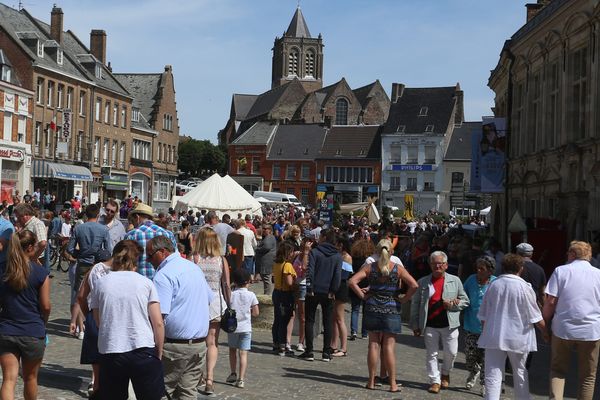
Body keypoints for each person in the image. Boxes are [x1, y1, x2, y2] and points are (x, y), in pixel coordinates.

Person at [89, 240, 165, 400]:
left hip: (111, 349)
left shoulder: (101, 284)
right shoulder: (145, 283)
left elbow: (98, 320)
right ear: (136, 261)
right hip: (142, 347)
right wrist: (159, 351)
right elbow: (157, 322)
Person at [149, 235, 213, 400]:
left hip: (174, 346)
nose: (148, 260)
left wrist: (156, 347)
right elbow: (208, 299)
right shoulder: (193, 268)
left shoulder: (164, 275)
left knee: (159, 391)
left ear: (162, 252)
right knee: (187, 392)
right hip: (198, 344)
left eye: (150, 255)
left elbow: (158, 317)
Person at [349, 238, 417, 393]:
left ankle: (371, 381)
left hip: (372, 307)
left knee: (373, 345)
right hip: (392, 308)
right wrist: (404, 299)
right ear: (391, 251)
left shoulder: (370, 267)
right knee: (389, 347)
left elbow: (352, 281)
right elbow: (414, 285)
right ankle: (392, 383)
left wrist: (363, 296)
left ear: (377, 251)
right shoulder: (397, 268)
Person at [478, 253, 547, 399]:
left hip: (494, 335)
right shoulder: (524, 287)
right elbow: (535, 315)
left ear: (503, 267)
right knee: (520, 372)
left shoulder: (493, 285)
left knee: (493, 373)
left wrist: (486, 332)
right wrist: (546, 331)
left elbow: (483, 315)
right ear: (520, 269)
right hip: (518, 336)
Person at [543, 241, 600, 400]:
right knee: (588, 376)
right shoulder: (598, 274)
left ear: (573, 254)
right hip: (591, 330)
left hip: (563, 328)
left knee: (558, 370)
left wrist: (544, 323)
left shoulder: (561, 271)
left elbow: (550, 301)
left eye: (568, 252)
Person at [0, 231, 51, 400]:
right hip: (32, 330)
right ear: (30, 247)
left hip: (7, 330)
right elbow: (45, 305)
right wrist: (44, 322)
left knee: (8, 379)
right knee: (30, 378)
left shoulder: (3, 269)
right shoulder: (40, 273)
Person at [410, 250, 469, 394]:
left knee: (452, 352)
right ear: (430, 265)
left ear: (446, 265)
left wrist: (454, 304)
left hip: (450, 324)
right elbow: (415, 304)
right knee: (432, 354)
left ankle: (445, 372)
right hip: (430, 324)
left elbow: (465, 301)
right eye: (434, 264)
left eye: (440, 264)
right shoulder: (423, 282)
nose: (437, 267)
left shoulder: (455, 281)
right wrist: (415, 324)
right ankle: (435, 380)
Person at [192, 227, 231, 395]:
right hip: (215, 301)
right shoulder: (221, 260)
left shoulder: (195, 258)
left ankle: (198, 375)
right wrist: (230, 305)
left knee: (197, 340)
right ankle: (210, 378)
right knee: (212, 341)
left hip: (197, 301)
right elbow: (227, 285)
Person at [298, 228, 342, 362]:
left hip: (314, 289)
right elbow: (337, 275)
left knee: (310, 320)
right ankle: (326, 353)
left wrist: (310, 287)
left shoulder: (315, 252)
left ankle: (309, 351)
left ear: (324, 238)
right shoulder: (337, 256)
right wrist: (333, 291)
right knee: (327, 322)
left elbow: (310, 271)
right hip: (328, 291)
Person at [76, 248, 112, 398]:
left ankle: (96, 385)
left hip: (94, 313)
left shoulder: (92, 271)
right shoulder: (117, 271)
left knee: (96, 357)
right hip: (110, 315)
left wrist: (86, 313)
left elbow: (81, 296)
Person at [462, 255, 496, 394]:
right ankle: (473, 371)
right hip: (471, 326)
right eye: (478, 268)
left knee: (486, 358)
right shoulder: (471, 280)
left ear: (490, 271)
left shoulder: (496, 283)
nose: (479, 271)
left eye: (482, 269)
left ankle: (485, 384)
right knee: (470, 357)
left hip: (489, 328)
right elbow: (462, 295)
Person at [125, 203, 177, 279]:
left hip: (140, 282)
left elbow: (126, 262)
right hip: (163, 281)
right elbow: (174, 259)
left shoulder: (132, 235)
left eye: (133, 220)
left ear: (137, 217)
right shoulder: (168, 234)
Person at [226, 268, 259, 389]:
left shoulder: (232, 295)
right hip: (246, 328)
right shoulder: (251, 295)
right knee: (243, 354)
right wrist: (248, 311)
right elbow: (256, 313)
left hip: (233, 327)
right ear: (248, 281)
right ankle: (241, 379)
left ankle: (233, 373)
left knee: (232, 351)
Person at [271, 241, 297, 356]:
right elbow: (289, 283)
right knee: (284, 320)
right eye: (291, 252)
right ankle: (282, 344)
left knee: (277, 319)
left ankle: (276, 343)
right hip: (285, 294)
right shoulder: (287, 266)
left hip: (276, 292)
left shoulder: (277, 264)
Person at [331, 235, 353, 357]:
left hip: (341, 287)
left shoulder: (347, 257)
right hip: (336, 286)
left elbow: (344, 275)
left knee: (340, 319)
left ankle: (343, 347)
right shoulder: (339, 256)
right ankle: (333, 345)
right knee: (334, 318)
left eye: (337, 244)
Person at [349, 238, 375, 340]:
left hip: (355, 285)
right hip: (366, 285)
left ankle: (353, 331)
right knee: (366, 310)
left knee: (355, 309)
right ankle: (364, 333)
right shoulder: (369, 260)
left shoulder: (353, 259)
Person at [13, 203, 48, 272]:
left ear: (25, 215)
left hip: (34, 261)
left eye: (18, 217)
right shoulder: (27, 225)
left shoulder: (37, 224)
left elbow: (43, 243)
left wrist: (33, 258)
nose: (17, 220)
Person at [255, 224, 276, 295]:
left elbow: (266, 247)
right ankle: (267, 294)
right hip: (265, 261)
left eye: (266, 229)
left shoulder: (269, 237)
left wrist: (257, 249)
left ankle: (268, 295)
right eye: (263, 228)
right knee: (266, 279)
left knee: (267, 279)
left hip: (266, 262)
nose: (264, 230)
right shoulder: (267, 237)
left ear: (270, 230)